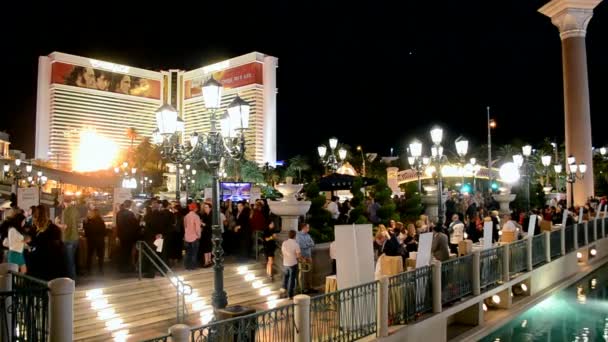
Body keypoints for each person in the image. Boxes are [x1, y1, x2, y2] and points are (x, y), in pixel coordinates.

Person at [27, 205, 67, 281]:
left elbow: (32, 241)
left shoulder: (35, 229)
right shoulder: (54, 228)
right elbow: (59, 244)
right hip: (53, 262)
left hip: (41, 262)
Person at [60, 197, 81, 280]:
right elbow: (78, 222)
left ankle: (72, 282)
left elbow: (65, 226)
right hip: (76, 238)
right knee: (73, 261)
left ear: (64, 202)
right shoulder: (75, 210)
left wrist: (56, 223)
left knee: (69, 263)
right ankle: (74, 279)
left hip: (68, 239)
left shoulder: (66, 211)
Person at [116, 200, 140, 273]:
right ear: (130, 205)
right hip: (129, 236)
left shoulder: (119, 213)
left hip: (122, 235)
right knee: (128, 252)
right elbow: (134, 225)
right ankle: (126, 267)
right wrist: (138, 219)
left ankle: (121, 267)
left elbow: (118, 224)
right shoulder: (130, 213)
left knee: (122, 251)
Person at [83, 209, 106, 275]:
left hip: (91, 241)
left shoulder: (87, 221)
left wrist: (85, 223)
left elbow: (86, 233)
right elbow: (104, 232)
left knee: (89, 255)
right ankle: (100, 270)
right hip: (100, 241)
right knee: (100, 256)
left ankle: (88, 270)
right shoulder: (101, 221)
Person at [280, 230, 301, 299]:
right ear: (295, 236)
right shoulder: (296, 244)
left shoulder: (284, 243)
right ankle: (290, 295)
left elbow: (282, 252)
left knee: (285, 278)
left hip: (285, 263)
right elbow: (298, 255)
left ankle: (283, 292)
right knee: (291, 279)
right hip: (293, 263)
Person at [296, 223, 315, 294]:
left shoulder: (308, 235)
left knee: (310, 272)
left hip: (308, 256)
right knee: (302, 273)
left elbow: (313, 243)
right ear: (303, 228)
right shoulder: (298, 235)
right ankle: (302, 289)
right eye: (307, 227)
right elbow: (301, 245)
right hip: (302, 257)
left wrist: (307, 244)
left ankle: (309, 287)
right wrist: (308, 244)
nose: (308, 229)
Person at [184, 203, 201, 270]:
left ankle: (187, 266)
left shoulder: (186, 216)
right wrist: (199, 235)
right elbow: (197, 228)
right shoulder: (196, 217)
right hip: (194, 237)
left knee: (188, 253)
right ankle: (193, 266)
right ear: (195, 208)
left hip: (187, 237)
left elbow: (185, 227)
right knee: (194, 253)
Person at [198, 202, 213, 267]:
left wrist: (203, 224)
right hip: (205, 233)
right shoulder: (204, 215)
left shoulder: (212, 215)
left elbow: (211, 225)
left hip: (210, 233)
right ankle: (207, 261)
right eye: (204, 207)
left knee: (208, 247)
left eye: (206, 207)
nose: (205, 208)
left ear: (210, 208)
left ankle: (208, 261)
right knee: (206, 247)